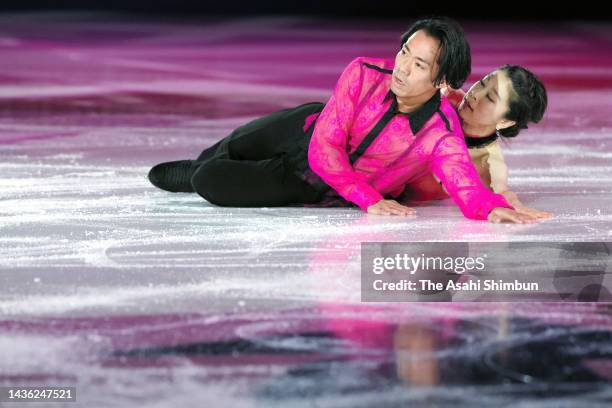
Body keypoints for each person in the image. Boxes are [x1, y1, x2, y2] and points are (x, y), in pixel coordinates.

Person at [147, 17, 537, 223]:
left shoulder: (441, 133)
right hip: (307, 130)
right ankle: (203, 161)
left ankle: (201, 172)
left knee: (208, 180)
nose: (401, 68)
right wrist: (369, 200)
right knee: (235, 143)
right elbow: (324, 147)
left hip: (312, 185)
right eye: (404, 51)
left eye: (418, 65)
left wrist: (491, 208)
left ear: (439, 80)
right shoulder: (364, 71)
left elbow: (465, 185)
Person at [400, 66, 553, 220]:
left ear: (505, 121)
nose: (474, 94)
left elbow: (502, 192)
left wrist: (515, 206)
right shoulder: (445, 95)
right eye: (481, 83)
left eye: (490, 98)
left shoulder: (488, 161)